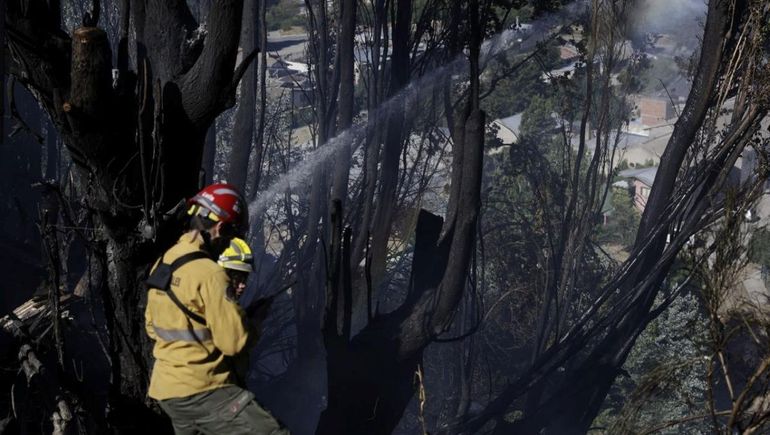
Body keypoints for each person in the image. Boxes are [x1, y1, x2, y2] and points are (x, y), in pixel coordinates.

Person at [144, 183, 287, 435]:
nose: (227, 245)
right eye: (231, 237)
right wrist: (254, 321)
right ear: (221, 228)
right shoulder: (211, 274)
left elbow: (152, 327)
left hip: (168, 392)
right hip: (203, 388)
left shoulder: (164, 263)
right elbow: (234, 343)